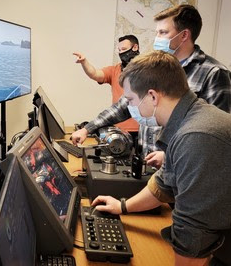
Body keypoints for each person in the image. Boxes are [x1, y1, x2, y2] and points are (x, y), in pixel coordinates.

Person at [92, 50, 231, 266]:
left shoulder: (196, 136)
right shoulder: (190, 119)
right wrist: (122, 207)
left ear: (153, 96)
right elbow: (164, 183)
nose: (129, 107)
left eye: (130, 99)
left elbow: (193, 231)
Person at [71, 4, 231, 168]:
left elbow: (216, 135)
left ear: (184, 35)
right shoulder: (155, 66)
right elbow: (124, 105)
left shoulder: (214, 73)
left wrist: (169, 155)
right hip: (148, 164)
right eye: (157, 32)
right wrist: (88, 128)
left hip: (181, 168)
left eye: (163, 32)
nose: (157, 38)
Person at [73, 35, 140, 135]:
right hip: (119, 128)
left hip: (141, 129)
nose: (121, 52)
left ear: (135, 47)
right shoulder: (114, 70)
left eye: (124, 49)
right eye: (119, 50)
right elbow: (95, 73)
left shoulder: (146, 71)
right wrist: (84, 62)